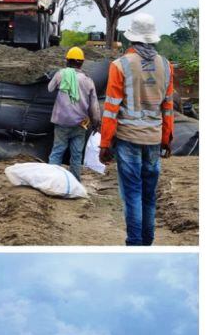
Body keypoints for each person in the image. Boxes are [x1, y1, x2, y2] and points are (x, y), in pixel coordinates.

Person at [98, 13, 175, 246]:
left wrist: (104, 143)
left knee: (132, 193)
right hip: (153, 139)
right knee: (149, 196)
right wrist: (166, 138)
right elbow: (168, 107)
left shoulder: (120, 65)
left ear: (131, 37)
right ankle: (146, 243)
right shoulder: (166, 66)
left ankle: (134, 243)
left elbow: (111, 108)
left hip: (128, 139)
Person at [47, 46, 101, 180]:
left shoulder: (61, 74)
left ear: (67, 61)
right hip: (80, 124)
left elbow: (50, 88)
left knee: (57, 152)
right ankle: (75, 182)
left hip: (62, 122)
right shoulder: (88, 80)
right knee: (76, 155)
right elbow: (94, 105)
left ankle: (52, 181)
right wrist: (96, 123)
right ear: (82, 63)